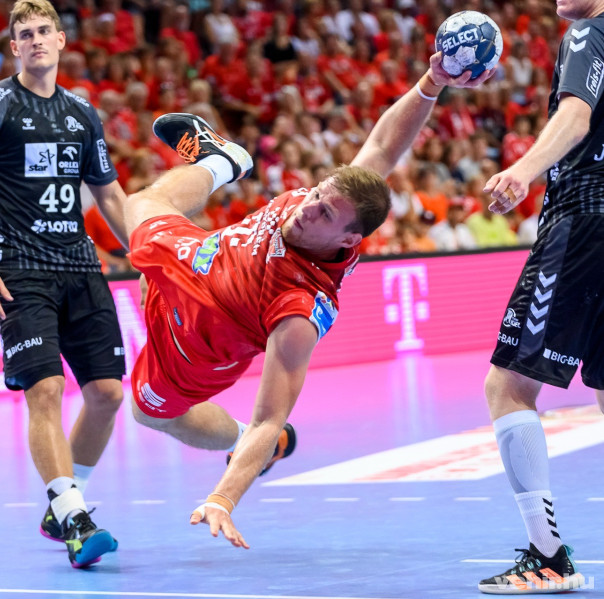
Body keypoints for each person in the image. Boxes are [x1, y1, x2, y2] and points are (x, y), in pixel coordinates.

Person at [122, 56, 491, 550]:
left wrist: (223, 498)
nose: (306, 209)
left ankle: (241, 444)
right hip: (197, 258)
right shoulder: (333, 201)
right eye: (316, 194)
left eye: (323, 213)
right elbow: (383, 146)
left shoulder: (299, 309)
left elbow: (268, 417)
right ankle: (222, 162)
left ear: (348, 240)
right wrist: (432, 81)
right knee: (140, 204)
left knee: (148, 412)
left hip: (197, 346)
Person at [0, 0, 128, 569]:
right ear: (14, 47)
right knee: (46, 390)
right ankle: (76, 519)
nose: (34, 40)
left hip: (79, 265)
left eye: (43, 31)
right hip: (18, 269)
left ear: (60, 40)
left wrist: (147, 255)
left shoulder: (82, 114)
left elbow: (109, 194)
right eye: (23, 34)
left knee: (107, 395)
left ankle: (62, 504)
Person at [475, 0, 604, 593]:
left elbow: (575, 116)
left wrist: (522, 171)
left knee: (508, 386)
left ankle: (548, 558)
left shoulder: (588, 32)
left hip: (584, 221)